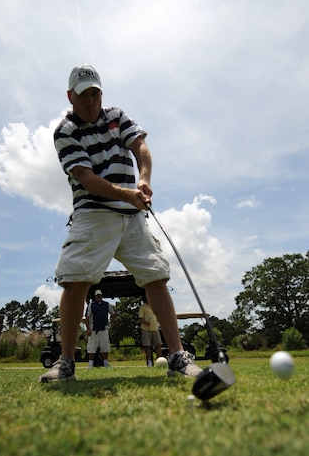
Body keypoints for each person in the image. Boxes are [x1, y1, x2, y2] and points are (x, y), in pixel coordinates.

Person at [39, 63, 202, 382]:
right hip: (93, 213)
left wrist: (143, 180)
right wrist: (127, 195)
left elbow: (140, 146)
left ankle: (178, 357)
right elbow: (85, 178)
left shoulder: (117, 116)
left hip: (132, 217)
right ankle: (67, 362)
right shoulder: (65, 131)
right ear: (71, 95)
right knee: (76, 282)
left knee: (155, 277)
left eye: (96, 93)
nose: (91, 101)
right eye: (84, 94)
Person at [85, 289, 117, 368]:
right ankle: (90, 364)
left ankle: (106, 363)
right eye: (97, 295)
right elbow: (87, 318)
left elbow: (114, 314)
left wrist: (110, 325)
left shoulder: (106, 304)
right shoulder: (91, 305)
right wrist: (88, 329)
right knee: (91, 347)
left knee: (105, 347)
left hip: (104, 329)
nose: (98, 296)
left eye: (100, 295)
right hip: (93, 329)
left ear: (101, 296)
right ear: (95, 296)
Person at [138, 298, 162, 366]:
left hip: (155, 328)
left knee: (158, 344)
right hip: (146, 329)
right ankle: (149, 362)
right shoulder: (143, 307)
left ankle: (159, 361)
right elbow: (141, 317)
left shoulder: (154, 306)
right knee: (147, 346)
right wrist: (146, 323)